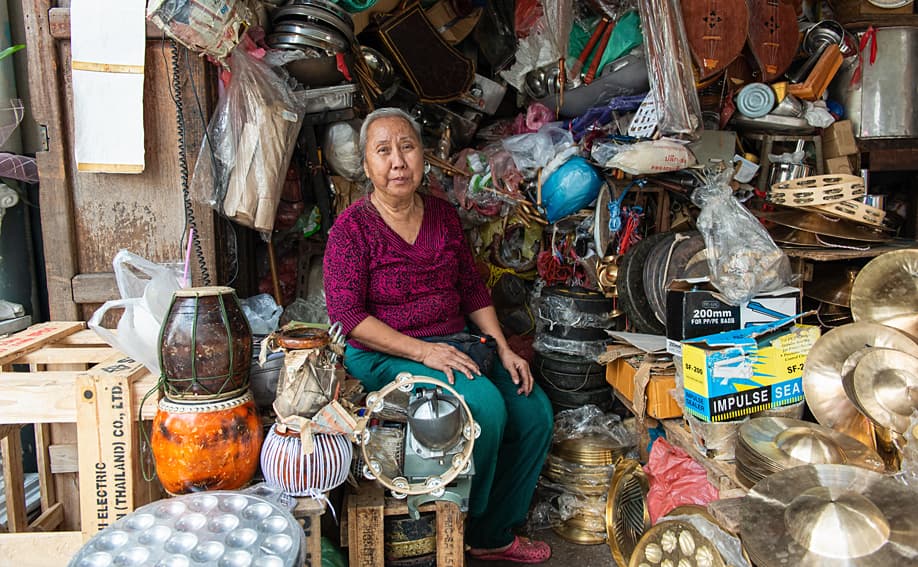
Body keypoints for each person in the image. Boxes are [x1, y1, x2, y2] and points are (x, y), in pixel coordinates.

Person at [324, 107, 554, 564]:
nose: (397, 162)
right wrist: (423, 352)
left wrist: (504, 349)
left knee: (534, 412)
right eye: (383, 151)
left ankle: (494, 534)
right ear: (366, 165)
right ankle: (464, 524)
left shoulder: (445, 218)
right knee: (483, 406)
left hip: (454, 342)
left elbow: (471, 287)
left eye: (407, 147)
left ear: (423, 156)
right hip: (384, 352)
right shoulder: (350, 230)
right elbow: (348, 316)